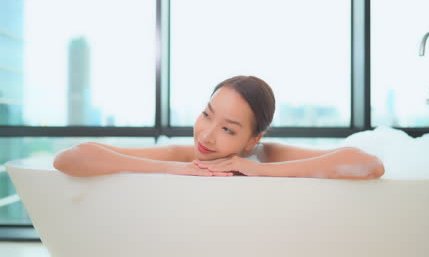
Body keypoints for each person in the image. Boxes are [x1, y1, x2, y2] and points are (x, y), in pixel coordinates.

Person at [54, 75, 385, 179]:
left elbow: (369, 164)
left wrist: (255, 170)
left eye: (228, 129)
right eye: (206, 114)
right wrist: (174, 168)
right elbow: (69, 159)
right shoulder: (182, 152)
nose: (206, 135)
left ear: (252, 139)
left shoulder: (266, 153)